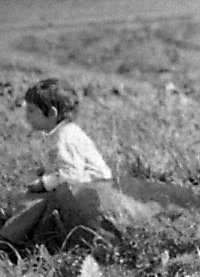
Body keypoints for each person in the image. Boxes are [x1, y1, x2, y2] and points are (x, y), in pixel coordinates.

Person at [0, 78, 114, 247]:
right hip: (80, 186)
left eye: (31, 111)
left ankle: (9, 238)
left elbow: (72, 174)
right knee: (32, 197)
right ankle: (13, 224)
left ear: (52, 113)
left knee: (36, 203)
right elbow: (61, 165)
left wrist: (44, 183)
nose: (27, 116)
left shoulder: (64, 137)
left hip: (91, 188)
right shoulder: (59, 133)